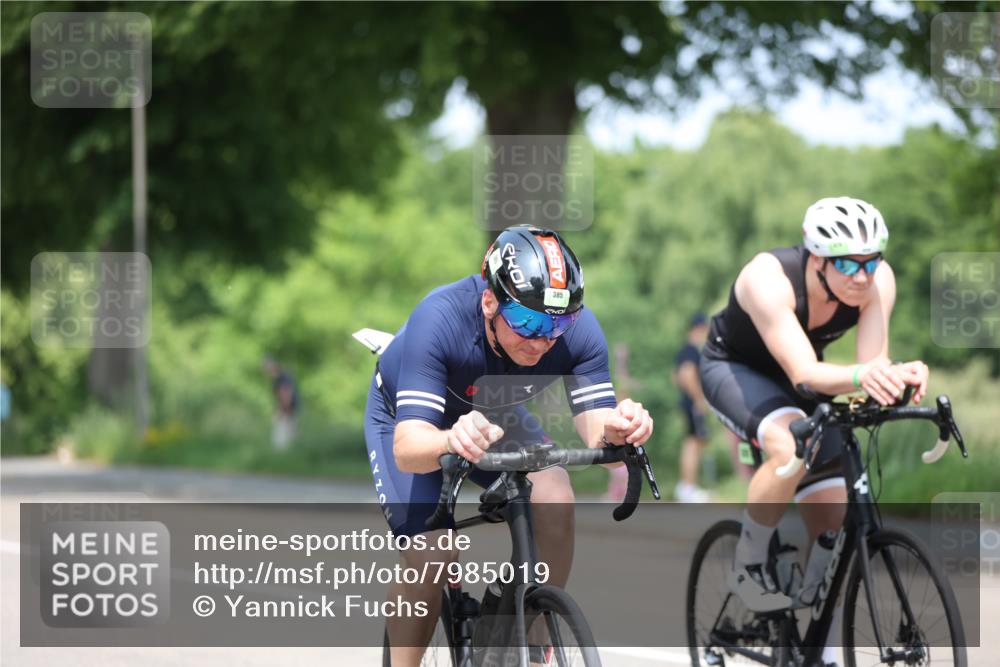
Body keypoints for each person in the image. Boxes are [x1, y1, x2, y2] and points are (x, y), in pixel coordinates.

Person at [364, 225, 654, 667]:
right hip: (411, 422)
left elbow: (599, 432)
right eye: (528, 322)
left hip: (491, 411)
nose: (542, 339)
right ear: (488, 301)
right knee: (432, 554)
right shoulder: (439, 319)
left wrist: (621, 428)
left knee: (555, 492)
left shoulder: (576, 333)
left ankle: (529, 637)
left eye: (558, 323)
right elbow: (408, 448)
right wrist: (448, 439)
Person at [699, 197, 928, 665]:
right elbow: (805, 372)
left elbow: (870, 372)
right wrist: (866, 376)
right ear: (817, 258)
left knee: (833, 524)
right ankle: (747, 567)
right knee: (788, 447)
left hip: (806, 379)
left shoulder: (876, 282)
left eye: (871, 260)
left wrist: (899, 378)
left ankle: (814, 650)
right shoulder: (766, 278)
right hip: (736, 371)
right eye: (848, 263)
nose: (862, 276)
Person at [674, 313, 710, 503]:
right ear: (699, 329)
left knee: (694, 441)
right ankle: (688, 487)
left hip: (688, 402)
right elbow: (686, 374)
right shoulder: (691, 350)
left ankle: (688, 486)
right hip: (692, 403)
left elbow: (675, 377)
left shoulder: (685, 350)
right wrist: (699, 399)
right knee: (694, 442)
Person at [262, 357, 299, 450]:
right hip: (288, 409)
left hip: (286, 411)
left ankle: (282, 458)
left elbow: (286, 395)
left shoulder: (281, 378)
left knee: (281, 440)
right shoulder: (281, 378)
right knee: (290, 436)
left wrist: (282, 411)